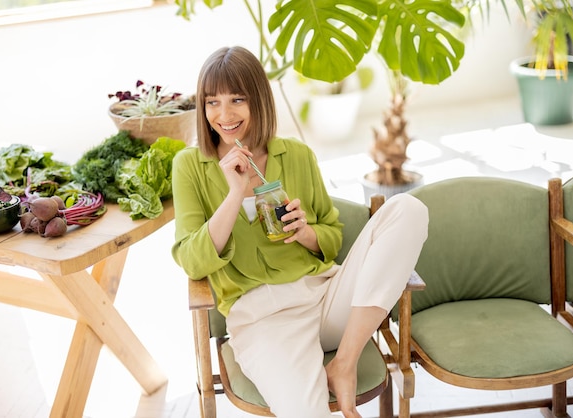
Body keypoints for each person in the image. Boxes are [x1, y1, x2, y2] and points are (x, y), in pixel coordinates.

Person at [171, 45, 429, 418]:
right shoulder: (189, 166)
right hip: (263, 320)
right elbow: (192, 262)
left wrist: (306, 232)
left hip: (327, 298)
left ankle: (344, 363)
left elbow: (332, 234)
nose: (223, 115)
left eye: (237, 99)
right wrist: (234, 195)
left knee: (408, 208)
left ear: (259, 100)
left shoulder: (296, 155)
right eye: (212, 102)